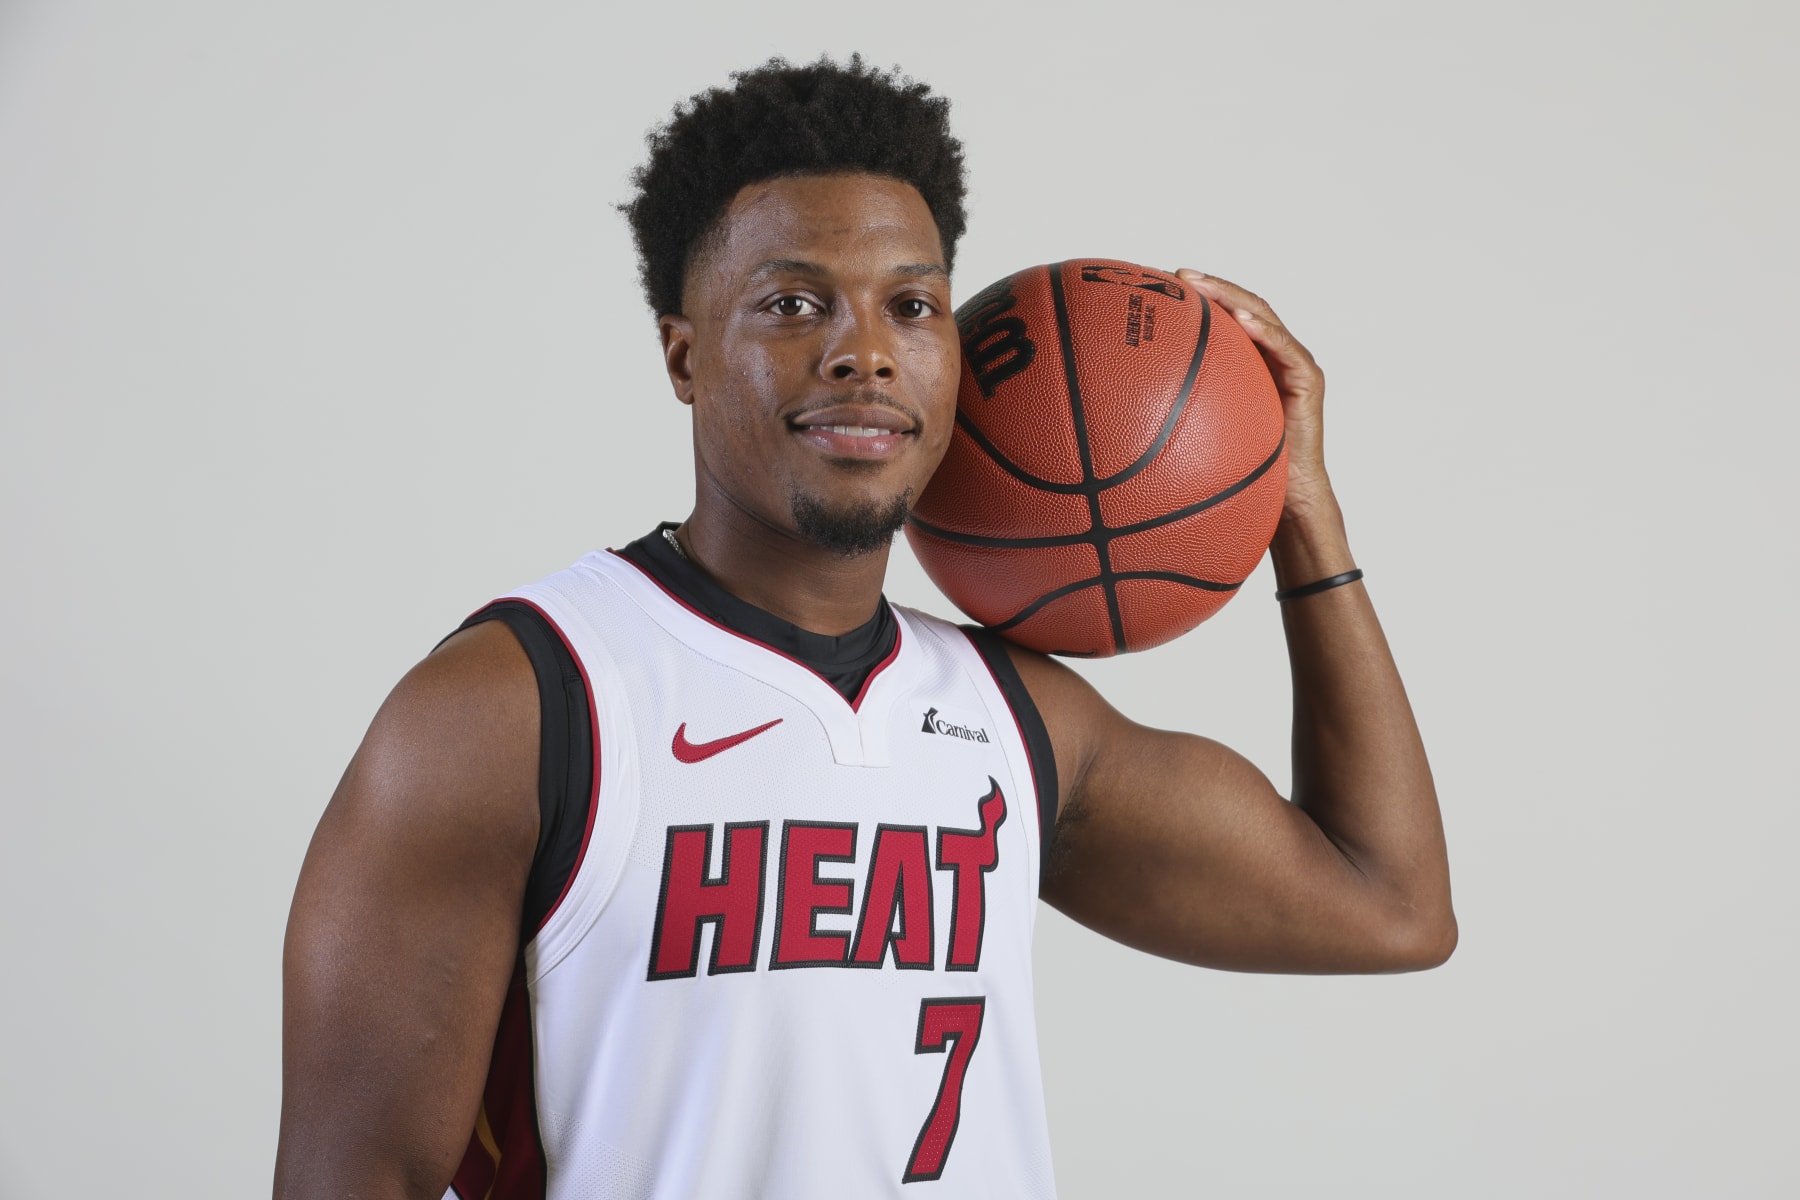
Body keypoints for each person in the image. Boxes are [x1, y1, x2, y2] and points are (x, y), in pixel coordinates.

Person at [274, 55, 1454, 1200]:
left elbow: (1389, 904)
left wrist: (1299, 510)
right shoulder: (518, 707)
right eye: (793, 304)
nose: (867, 352)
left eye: (912, 306)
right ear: (684, 356)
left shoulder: (1014, 717)